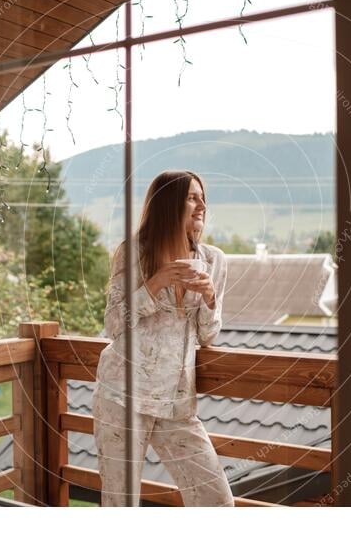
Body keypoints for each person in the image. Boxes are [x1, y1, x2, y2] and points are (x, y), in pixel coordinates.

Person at [92, 170, 234, 507]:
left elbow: (208, 335)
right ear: (169, 204)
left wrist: (211, 298)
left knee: (217, 501)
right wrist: (155, 283)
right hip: (122, 398)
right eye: (191, 197)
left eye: (202, 197)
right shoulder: (134, 253)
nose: (201, 205)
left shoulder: (213, 260)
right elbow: (113, 324)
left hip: (176, 404)